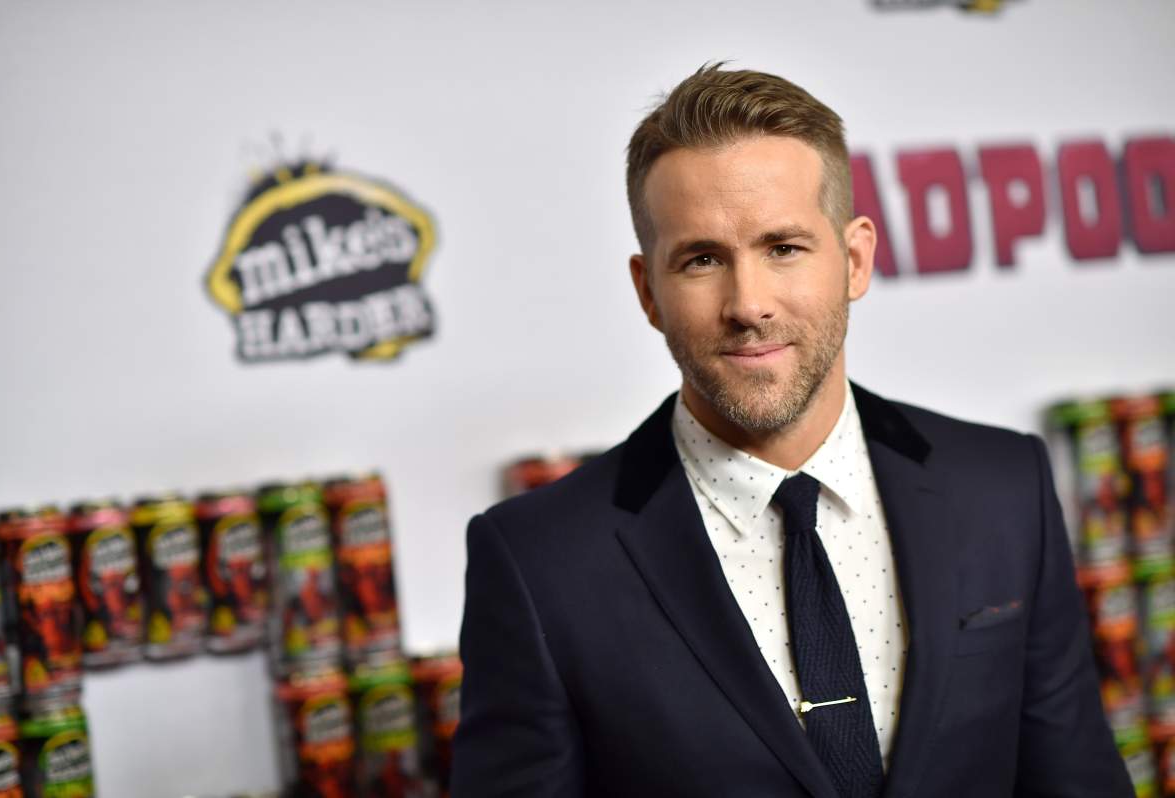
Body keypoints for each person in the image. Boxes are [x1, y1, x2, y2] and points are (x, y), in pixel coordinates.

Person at [451, 64, 1131, 797]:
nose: (749, 305)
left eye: (783, 248)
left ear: (855, 260)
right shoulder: (540, 563)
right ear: (648, 292)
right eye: (703, 259)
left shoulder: (1003, 487)